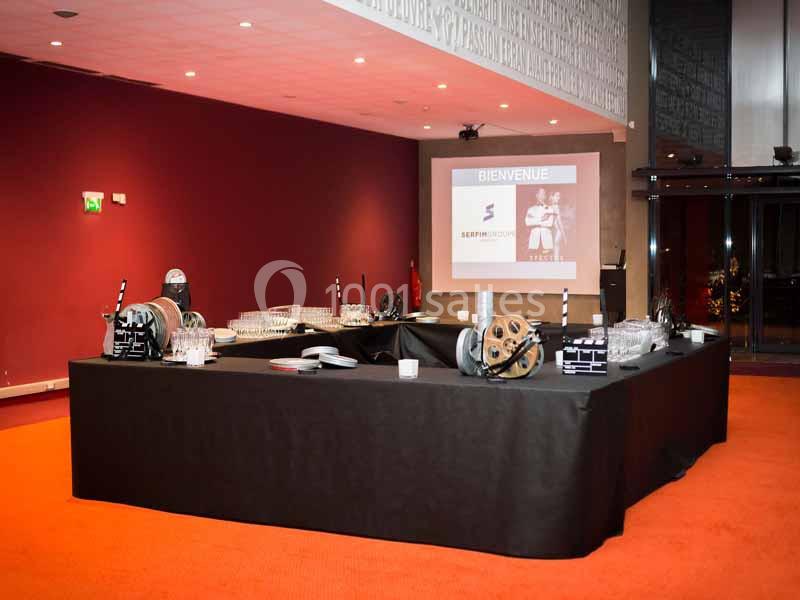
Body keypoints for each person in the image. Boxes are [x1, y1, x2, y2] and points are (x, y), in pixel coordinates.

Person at [525, 188, 554, 260]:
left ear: (545, 196)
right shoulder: (530, 209)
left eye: (543, 194)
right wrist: (542, 219)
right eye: (540, 194)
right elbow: (528, 222)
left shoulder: (550, 209)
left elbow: (549, 223)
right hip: (534, 242)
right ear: (536, 195)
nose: (542, 196)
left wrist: (534, 220)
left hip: (547, 242)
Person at [549, 191, 566, 261]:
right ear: (551, 196)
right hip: (552, 231)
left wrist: (564, 235)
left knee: (556, 248)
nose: (558, 198)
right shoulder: (550, 207)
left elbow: (559, 222)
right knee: (554, 249)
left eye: (559, 196)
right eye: (556, 196)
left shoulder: (556, 207)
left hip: (556, 231)